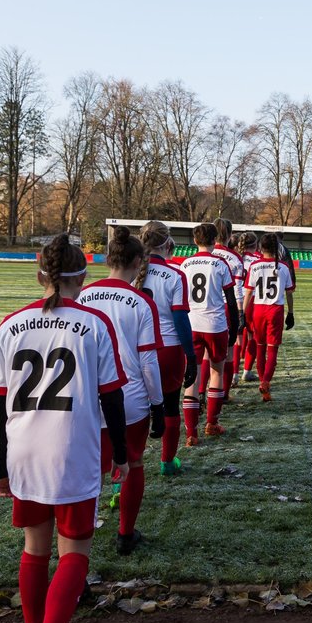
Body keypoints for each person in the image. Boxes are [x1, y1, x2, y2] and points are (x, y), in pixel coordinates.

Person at [0, 234, 129, 623]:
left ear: (39, 274)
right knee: (75, 552)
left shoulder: (12, 324)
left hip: (23, 449)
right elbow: (111, 397)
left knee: (34, 548)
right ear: (82, 278)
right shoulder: (94, 322)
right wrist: (122, 455)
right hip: (71, 451)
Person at [77, 226, 165, 554]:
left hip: (87, 397)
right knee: (135, 463)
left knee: (90, 471)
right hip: (130, 398)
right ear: (139, 261)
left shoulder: (81, 295)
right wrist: (158, 404)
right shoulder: (141, 302)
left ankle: (78, 537)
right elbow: (147, 362)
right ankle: (125, 534)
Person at [138, 221, 198, 476]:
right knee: (171, 405)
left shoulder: (132, 271)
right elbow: (180, 320)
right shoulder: (175, 275)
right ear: (167, 243)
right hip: (168, 348)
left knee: (134, 410)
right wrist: (191, 356)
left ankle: (125, 471)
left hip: (137, 349)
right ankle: (167, 461)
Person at [178, 223, 239, 444]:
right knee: (216, 373)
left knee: (191, 377)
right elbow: (231, 302)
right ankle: (212, 423)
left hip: (191, 324)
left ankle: (191, 433)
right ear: (216, 239)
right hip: (215, 325)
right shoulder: (221, 263)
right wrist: (233, 329)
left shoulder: (184, 263)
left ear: (195, 240)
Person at [242, 232, 295, 401]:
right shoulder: (284, 267)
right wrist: (291, 313)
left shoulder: (255, 266)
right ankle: (265, 382)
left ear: (260, 247)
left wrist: (243, 314)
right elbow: (289, 293)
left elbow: (248, 293)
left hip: (258, 310)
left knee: (260, 348)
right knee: (272, 350)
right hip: (275, 310)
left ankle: (263, 381)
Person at [210, 218, 246, 402]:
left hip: (203, 307)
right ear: (230, 235)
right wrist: (240, 313)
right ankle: (223, 393)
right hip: (225, 306)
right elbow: (238, 290)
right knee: (228, 351)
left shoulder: (203, 255)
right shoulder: (235, 258)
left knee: (206, 354)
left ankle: (202, 392)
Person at [234, 232, 261, 384]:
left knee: (236, 340)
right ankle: (247, 371)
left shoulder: (234, 257)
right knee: (252, 337)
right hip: (253, 300)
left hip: (236, 300)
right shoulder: (258, 259)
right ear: (255, 245)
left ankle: (234, 374)